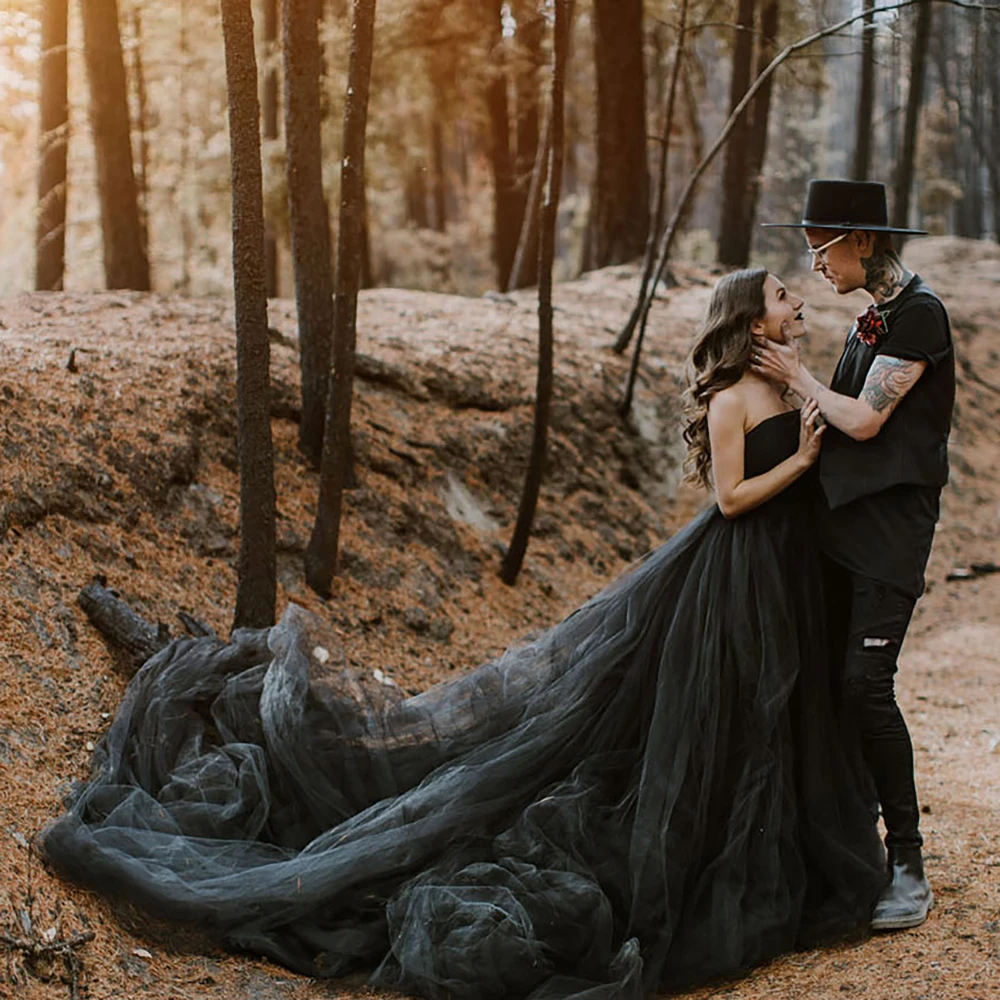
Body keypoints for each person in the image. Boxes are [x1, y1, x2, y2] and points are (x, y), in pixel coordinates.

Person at [41, 268, 886, 1000]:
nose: (795, 299)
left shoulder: (783, 380)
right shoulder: (738, 396)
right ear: (751, 319)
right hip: (735, 570)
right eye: (782, 295)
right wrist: (802, 464)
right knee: (708, 717)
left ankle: (797, 863)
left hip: (787, 572)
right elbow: (733, 501)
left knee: (778, 717)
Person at [754, 178, 955, 931]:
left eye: (822, 251)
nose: (816, 270)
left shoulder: (921, 315)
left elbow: (865, 421)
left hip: (890, 537)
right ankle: (850, 850)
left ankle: (909, 863)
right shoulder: (875, 316)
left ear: (862, 242)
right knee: (833, 688)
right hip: (838, 527)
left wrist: (798, 376)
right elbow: (830, 420)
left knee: (866, 685)